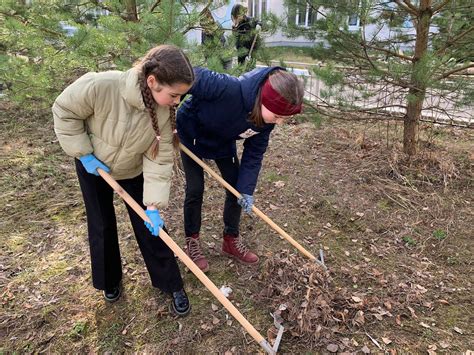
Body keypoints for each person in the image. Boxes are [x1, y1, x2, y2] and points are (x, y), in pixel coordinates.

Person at [52, 45, 194, 316]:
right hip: (93, 166)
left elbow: (159, 158)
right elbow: (64, 110)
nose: (177, 101)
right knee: (101, 224)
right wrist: (83, 153)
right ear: (152, 82)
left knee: (150, 228)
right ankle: (109, 280)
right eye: (174, 95)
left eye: (180, 96)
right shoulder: (101, 85)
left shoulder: (163, 113)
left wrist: (152, 205)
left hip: (132, 170)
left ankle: (170, 284)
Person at [176, 66, 304, 272]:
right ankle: (192, 240)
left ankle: (230, 239)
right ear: (265, 99)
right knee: (195, 189)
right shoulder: (227, 88)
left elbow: (254, 155)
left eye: (284, 119)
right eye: (278, 116)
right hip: (191, 134)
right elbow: (182, 75)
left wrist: (246, 189)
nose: (279, 122)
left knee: (235, 189)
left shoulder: (266, 122)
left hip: (222, 141)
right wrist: (168, 111)